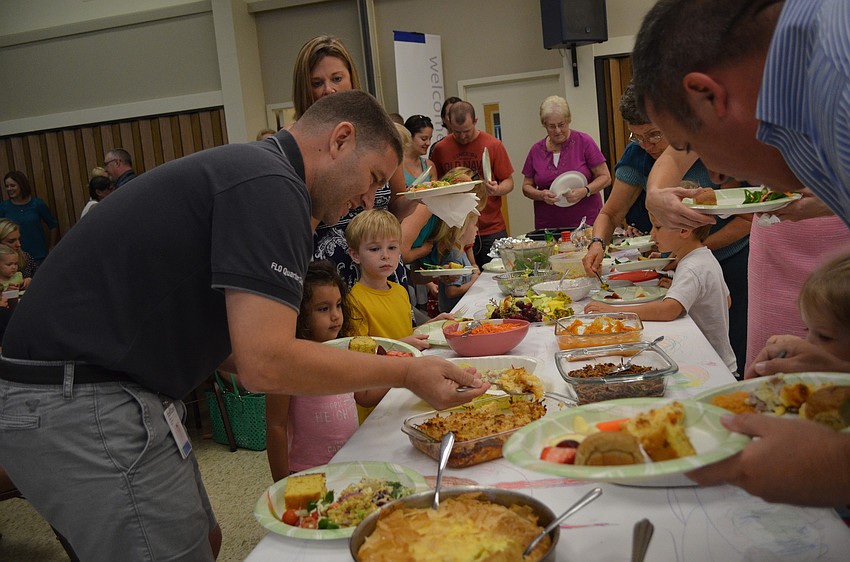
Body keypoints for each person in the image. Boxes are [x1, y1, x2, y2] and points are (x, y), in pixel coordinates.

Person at [0, 90, 488, 561]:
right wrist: (405, 372)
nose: (367, 200)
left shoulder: (259, 173)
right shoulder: (272, 184)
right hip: (79, 395)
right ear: (340, 140)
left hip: (94, 388)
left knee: (204, 539)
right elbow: (264, 363)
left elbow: (238, 346)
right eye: (371, 177)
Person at [631, 0, 850, 506]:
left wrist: (837, 465)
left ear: (707, 94)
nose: (719, 175)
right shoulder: (808, 55)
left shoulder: (839, 90)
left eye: (693, 145)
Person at [584, 85, 751, 371]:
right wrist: (597, 242)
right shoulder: (638, 153)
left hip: (727, 258)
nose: (647, 144)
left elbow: (746, 221)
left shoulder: (710, 144)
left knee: (735, 341)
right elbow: (611, 213)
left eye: (654, 135)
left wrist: (689, 252)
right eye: (638, 136)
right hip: (687, 256)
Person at [293, 35, 411, 289]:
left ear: (351, 79)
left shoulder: (382, 136)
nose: (328, 89)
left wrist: (422, 199)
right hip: (327, 272)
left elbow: (398, 202)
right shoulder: (299, 144)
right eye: (317, 82)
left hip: (381, 267)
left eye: (336, 78)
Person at [265, 260, 388, 481]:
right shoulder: (287, 364)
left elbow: (364, 397)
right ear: (299, 313)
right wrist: (281, 484)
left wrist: (400, 376)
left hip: (350, 462)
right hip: (307, 472)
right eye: (323, 308)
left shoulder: (344, 352)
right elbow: (276, 425)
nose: (335, 316)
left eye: (339, 305)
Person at [584, 216, 737, 374]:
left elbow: (668, 310)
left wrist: (614, 312)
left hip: (710, 365)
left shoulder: (691, 267)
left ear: (684, 231)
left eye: (657, 227)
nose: (652, 235)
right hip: (720, 359)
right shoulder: (704, 256)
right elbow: (726, 301)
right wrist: (682, 290)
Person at [431, 101, 514, 267]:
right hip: (456, 230)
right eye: (457, 132)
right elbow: (436, 185)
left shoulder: (492, 145)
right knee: (463, 280)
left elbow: (509, 182)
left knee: (497, 275)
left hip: (491, 227)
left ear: (475, 121)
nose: (462, 136)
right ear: (448, 123)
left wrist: (497, 189)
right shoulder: (441, 149)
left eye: (467, 131)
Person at [345, 209, 437, 351]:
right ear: (355, 254)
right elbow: (359, 355)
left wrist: (432, 325)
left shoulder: (400, 291)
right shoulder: (354, 301)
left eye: (392, 247)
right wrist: (402, 345)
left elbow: (405, 333)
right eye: (375, 249)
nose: (385, 255)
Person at [521, 95, 611, 230]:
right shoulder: (536, 150)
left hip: (585, 224)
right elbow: (526, 186)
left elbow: (606, 177)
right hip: (549, 226)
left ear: (568, 120)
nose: (557, 131)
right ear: (544, 124)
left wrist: (585, 191)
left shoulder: (584, 142)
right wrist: (541, 195)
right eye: (552, 126)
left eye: (561, 125)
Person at [1, 171, 59, 271]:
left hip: (38, 255)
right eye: (7, 186)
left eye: (12, 185)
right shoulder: (4, 207)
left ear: (21, 185)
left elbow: (53, 225)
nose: (9, 189)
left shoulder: (37, 204)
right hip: (14, 258)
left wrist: (52, 246)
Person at [424, 212, 481, 313]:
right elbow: (451, 292)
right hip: (455, 312)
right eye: (474, 225)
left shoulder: (460, 252)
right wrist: (473, 281)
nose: (477, 229)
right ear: (462, 229)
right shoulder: (455, 256)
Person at [0, 218, 35, 282]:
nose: (19, 244)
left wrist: (30, 282)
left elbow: (40, 281)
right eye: (11, 241)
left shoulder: (26, 257)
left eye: (18, 239)